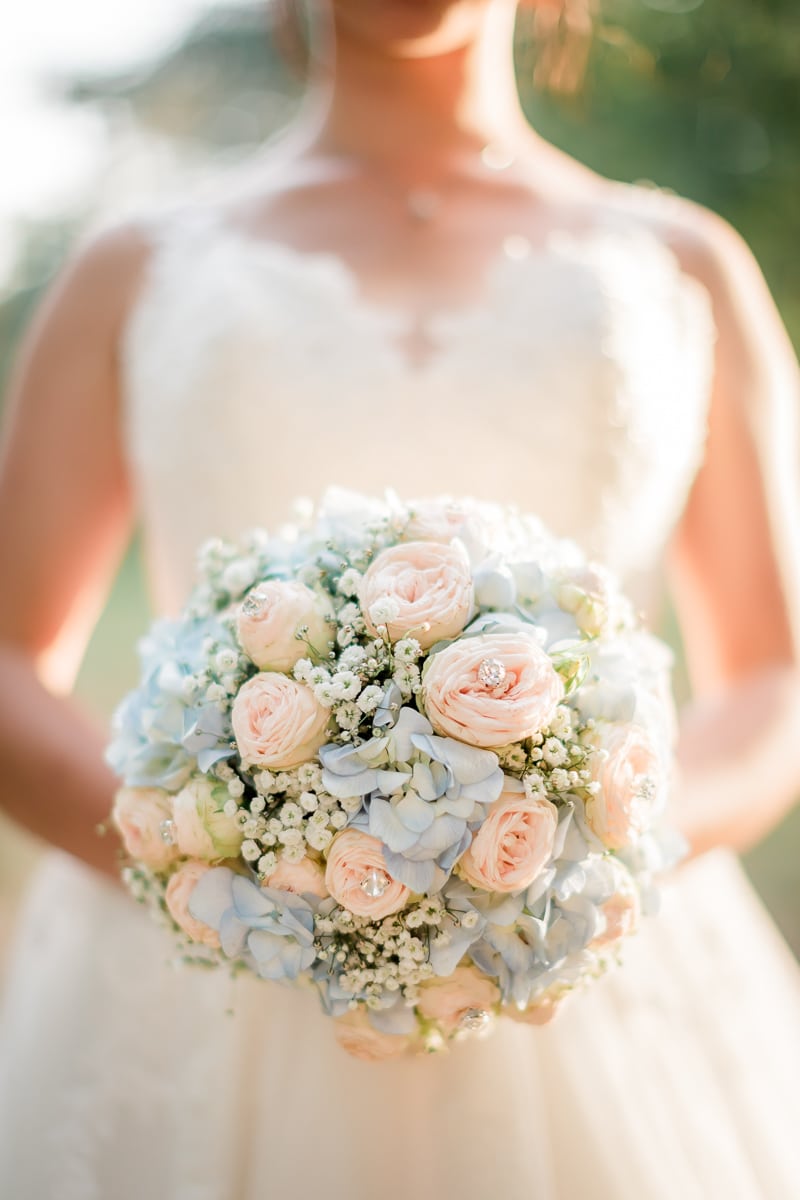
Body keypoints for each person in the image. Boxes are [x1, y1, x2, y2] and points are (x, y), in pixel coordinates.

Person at [1, 0, 799, 1195]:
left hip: (598, 969)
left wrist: (576, 853)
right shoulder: (137, 267)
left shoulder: (680, 267)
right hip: (196, 982)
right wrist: (230, 863)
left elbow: (772, 680)